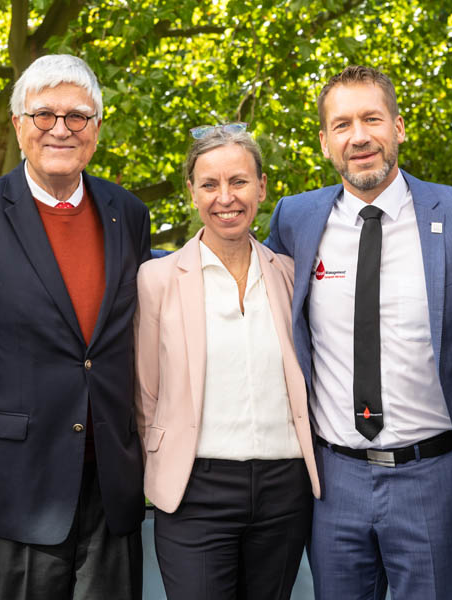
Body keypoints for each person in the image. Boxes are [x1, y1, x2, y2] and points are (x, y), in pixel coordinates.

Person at [0, 54, 150, 599]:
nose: (61, 129)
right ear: (18, 124)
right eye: (44, 114)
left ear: (97, 127)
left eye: (78, 116)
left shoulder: (129, 213)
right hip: (14, 494)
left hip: (111, 489)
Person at [264, 65, 452, 599]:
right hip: (333, 480)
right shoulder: (296, 218)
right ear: (325, 142)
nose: (359, 136)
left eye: (372, 118)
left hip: (434, 476)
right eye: (342, 124)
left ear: (398, 126)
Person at [135, 125, 320, 599]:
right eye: (210, 184)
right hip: (195, 488)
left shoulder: (291, 275)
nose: (226, 198)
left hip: (285, 487)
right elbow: (145, 393)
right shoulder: (156, 280)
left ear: (262, 187)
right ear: (191, 192)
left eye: (238, 181)